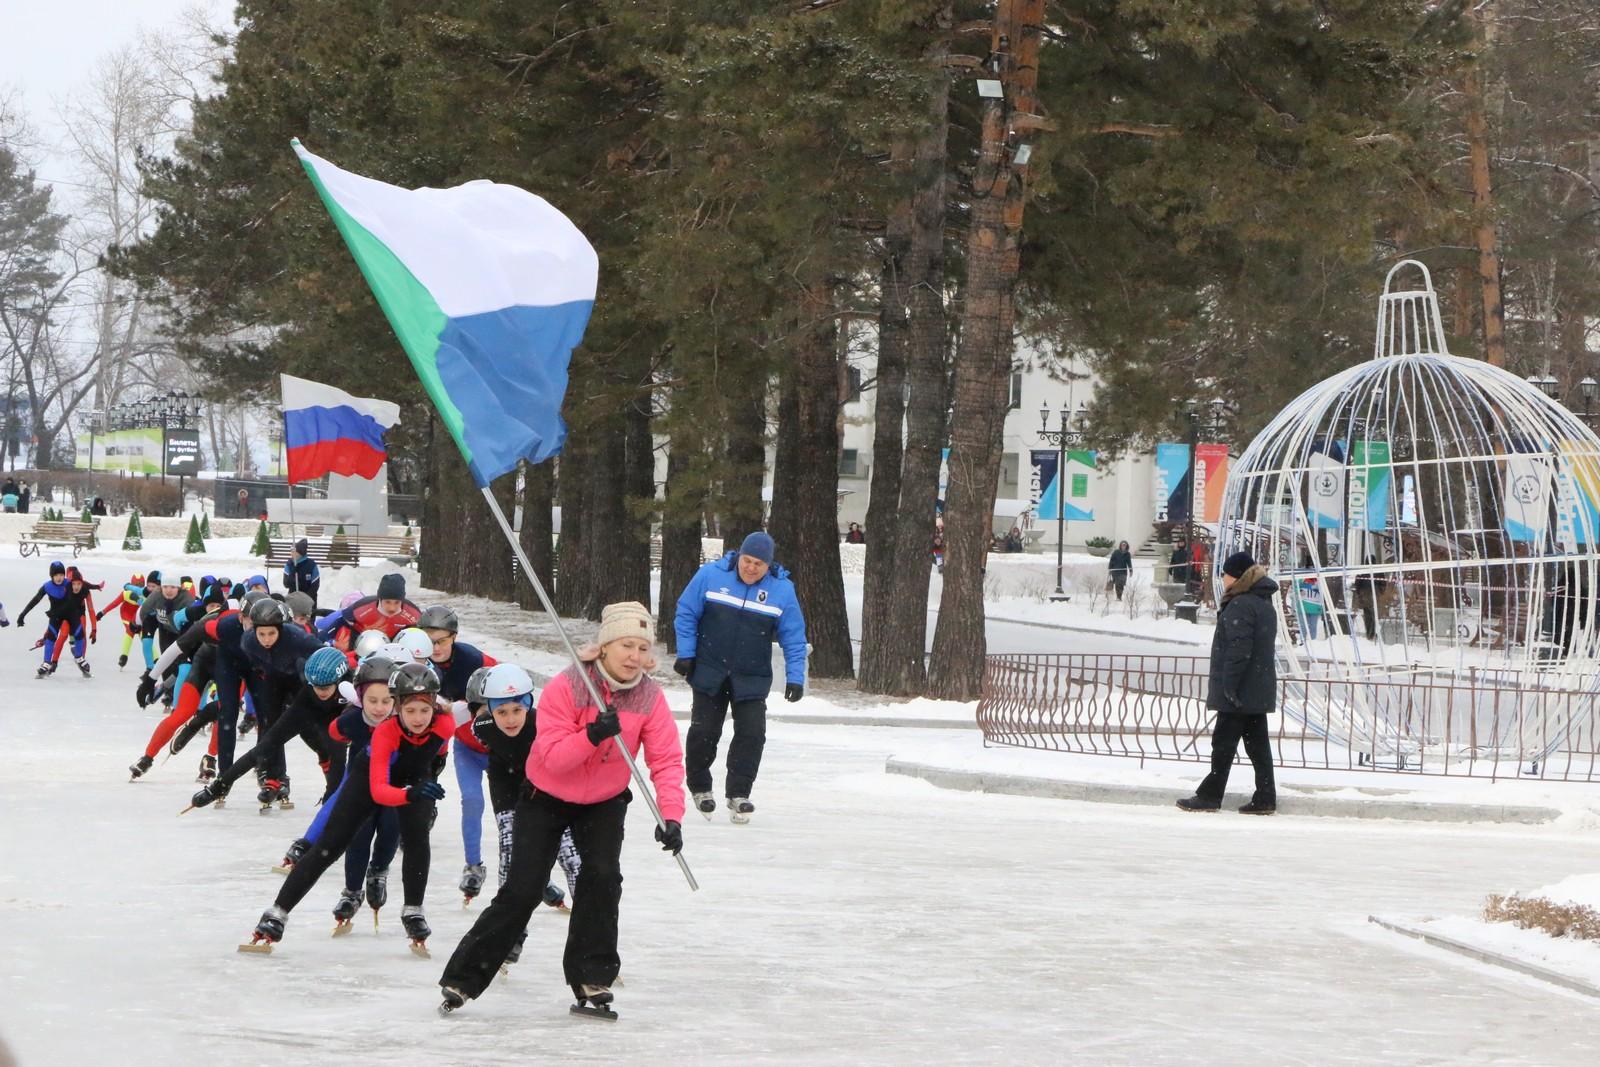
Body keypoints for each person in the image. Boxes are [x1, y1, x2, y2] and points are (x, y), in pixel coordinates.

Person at [437, 601, 685, 1018]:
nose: (635, 657)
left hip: (604, 802)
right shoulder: (568, 687)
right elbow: (551, 758)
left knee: (602, 879)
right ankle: (463, 978)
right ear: (605, 647)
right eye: (627, 645)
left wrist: (672, 815)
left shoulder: (649, 697)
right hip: (545, 797)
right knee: (524, 889)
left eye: (643, 648)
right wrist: (592, 735)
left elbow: (665, 760)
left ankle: (592, 977)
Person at [244, 661, 452, 952]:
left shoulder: (445, 722)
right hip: (367, 779)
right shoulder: (386, 732)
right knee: (329, 846)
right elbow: (380, 791)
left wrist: (426, 778)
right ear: (398, 708)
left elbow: (438, 748)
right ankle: (276, 914)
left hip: (415, 778)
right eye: (410, 710)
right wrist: (410, 793)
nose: (418, 718)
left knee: (417, 837)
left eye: (424, 710)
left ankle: (413, 910)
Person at [673, 532, 807, 822]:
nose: (751, 568)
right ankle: (700, 787)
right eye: (747, 561)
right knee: (704, 731)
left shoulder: (782, 590)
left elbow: (794, 637)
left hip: (752, 676)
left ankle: (739, 793)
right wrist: (686, 653)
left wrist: (796, 677)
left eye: (759, 564)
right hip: (710, 670)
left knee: (752, 734)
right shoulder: (710, 576)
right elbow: (686, 613)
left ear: (768, 565)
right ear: (739, 557)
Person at [1177, 551, 1279, 815]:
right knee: (1257, 746)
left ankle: (1210, 796)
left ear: (1236, 576)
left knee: (1223, 744)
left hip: (1240, 692)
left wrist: (1229, 686)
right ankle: (1266, 797)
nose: (1222, 578)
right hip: (1255, 688)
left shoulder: (1241, 604)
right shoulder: (1263, 602)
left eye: (1225, 573)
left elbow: (1239, 649)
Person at [17, 561, 97, 678]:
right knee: (51, 638)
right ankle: (46, 663)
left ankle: (79, 658)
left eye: (61, 575)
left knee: (80, 635)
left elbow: (82, 583)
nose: (59, 578)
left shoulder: (68, 583)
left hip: (71, 615)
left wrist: (95, 587)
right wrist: (23, 614)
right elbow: (35, 601)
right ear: (52, 576)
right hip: (56, 616)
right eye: (56, 575)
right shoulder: (47, 587)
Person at [96, 573, 148, 670]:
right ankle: (123, 657)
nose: (139, 587)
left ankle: (156, 659)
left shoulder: (145, 594)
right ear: (132, 584)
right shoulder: (126, 593)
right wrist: (102, 613)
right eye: (136, 585)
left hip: (138, 615)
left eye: (141, 585)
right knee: (130, 630)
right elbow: (114, 603)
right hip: (126, 614)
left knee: (144, 635)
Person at [283, 538, 322, 610]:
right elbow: (286, 584)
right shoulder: (289, 565)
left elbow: (315, 586)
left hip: (309, 602)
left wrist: (304, 600)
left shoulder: (311, 565)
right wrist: (293, 574)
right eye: (291, 551)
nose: (291, 553)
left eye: (293, 551)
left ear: (300, 553)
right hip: (293, 601)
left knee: (306, 620)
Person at [1297, 576, 1325, 642]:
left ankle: (1312, 643)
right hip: (1303, 607)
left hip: (1315, 607)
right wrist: (1299, 590)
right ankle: (1303, 642)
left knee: (1312, 627)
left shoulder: (1319, 580)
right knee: (1304, 626)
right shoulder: (1301, 579)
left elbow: (1324, 591)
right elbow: (1295, 586)